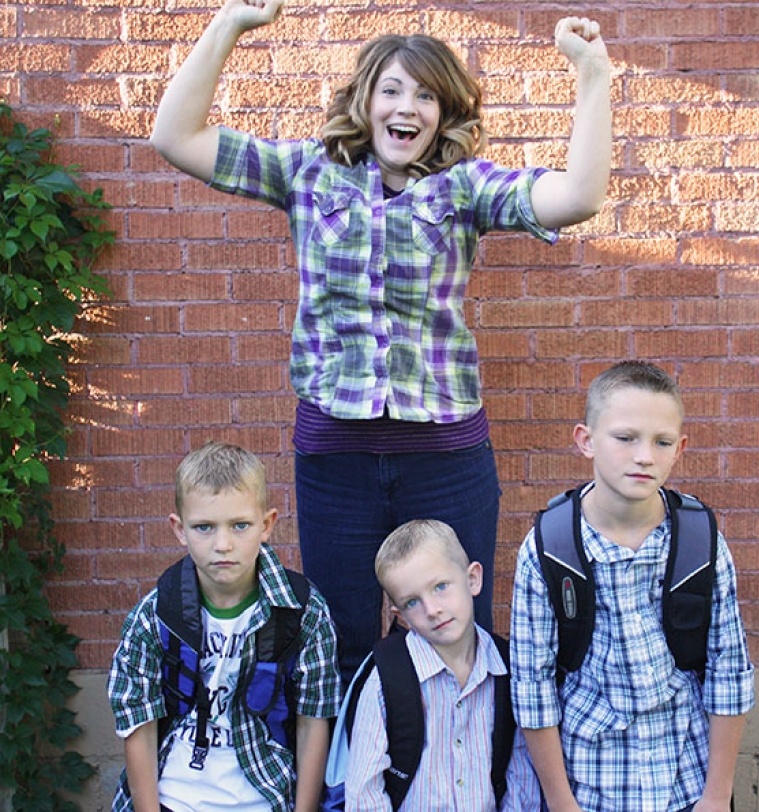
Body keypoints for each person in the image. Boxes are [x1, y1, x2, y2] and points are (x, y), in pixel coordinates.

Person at [149, 0, 612, 681]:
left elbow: (576, 196)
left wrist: (592, 74)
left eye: (426, 94)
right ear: (365, 100)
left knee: (459, 640)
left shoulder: (466, 188)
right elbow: (174, 136)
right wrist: (230, 25)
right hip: (336, 460)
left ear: (444, 111)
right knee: (338, 638)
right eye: (391, 88)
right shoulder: (306, 172)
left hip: (446, 460)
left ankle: (454, 783)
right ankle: (349, 784)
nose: (407, 107)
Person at [510, 361, 755, 812]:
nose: (645, 456)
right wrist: (562, 803)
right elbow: (532, 688)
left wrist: (718, 795)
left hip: (686, 782)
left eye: (661, 442)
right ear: (586, 440)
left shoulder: (699, 542)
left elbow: (729, 671)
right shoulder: (550, 548)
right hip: (589, 787)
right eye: (626, 438)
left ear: (679, 447)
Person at [107, 442, 341, 812]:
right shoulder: (155, 614)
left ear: (267, 525)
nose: (222, 544)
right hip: (174, 798)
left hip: (264, 795)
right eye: (204, 527)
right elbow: (139, 724)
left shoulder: (303, 611)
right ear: (179, 529)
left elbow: (314, 720)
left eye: (240, 525)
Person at [344, 519, 542, 810]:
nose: (432, 610)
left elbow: (521, 777)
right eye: (413, 602)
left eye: (440, 587)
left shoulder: (507, 670)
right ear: (401, 617)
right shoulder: (386, 680)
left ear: (473, 579)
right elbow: (365, 794)